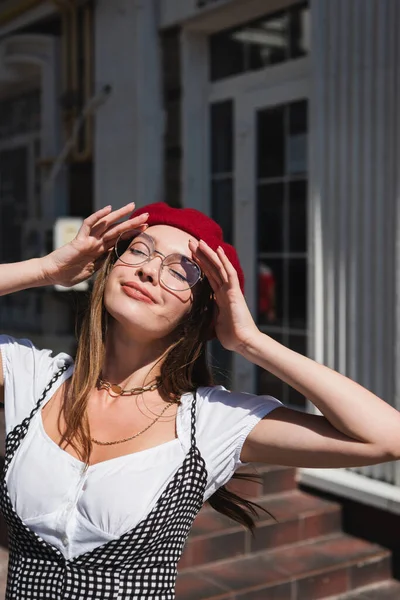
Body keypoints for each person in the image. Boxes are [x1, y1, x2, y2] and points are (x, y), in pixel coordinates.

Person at [0, 201, 399, 600]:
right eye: (138, 250)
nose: (149, 270)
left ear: (200, 313)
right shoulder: (34, 378)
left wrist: (251, 342)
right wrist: (46, 269)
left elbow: (386, 438)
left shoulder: (208, 422)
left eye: (179, 271)